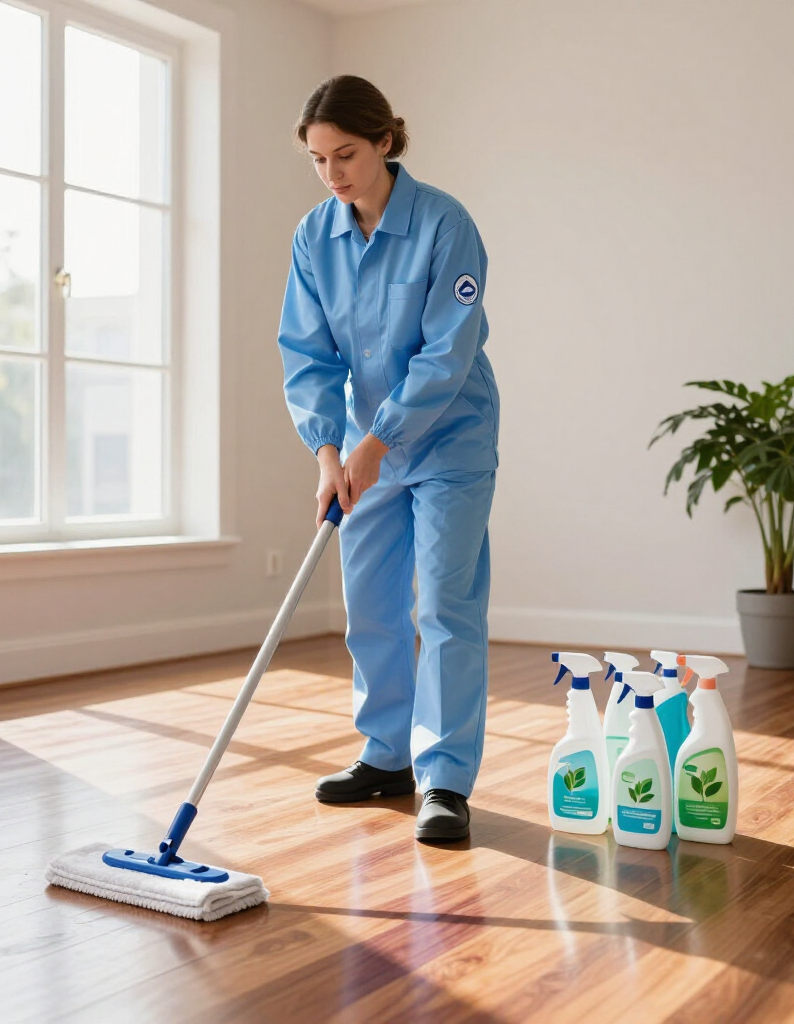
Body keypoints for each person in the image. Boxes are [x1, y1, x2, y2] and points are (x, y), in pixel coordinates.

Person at [277, 76, 499, 842]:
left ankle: (445, 779)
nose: (332, 174)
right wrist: (327, 451)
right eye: (318, 160)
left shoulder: (444, 224)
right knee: (370, 603)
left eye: (345, 154)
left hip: (449, 440)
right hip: (361, 446)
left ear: (384, 141)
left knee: (444, 606)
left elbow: (447, 353)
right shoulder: (314, 237)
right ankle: (385, 756)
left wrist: (381, 439)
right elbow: (307, 354)